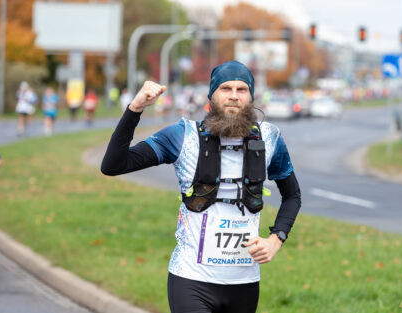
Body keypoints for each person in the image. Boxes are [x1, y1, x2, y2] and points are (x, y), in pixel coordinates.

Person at [101, 61, 301, 313]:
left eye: (242, 90)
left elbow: (292, 195)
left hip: (244, 283)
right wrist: (135, 109)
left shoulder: (269, 138)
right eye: (225, 88)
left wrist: (276, 239)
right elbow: (113, 165)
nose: (233, 96)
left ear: (251, 97)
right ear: (212, 95)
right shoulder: (183, 136)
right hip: (191, 279)